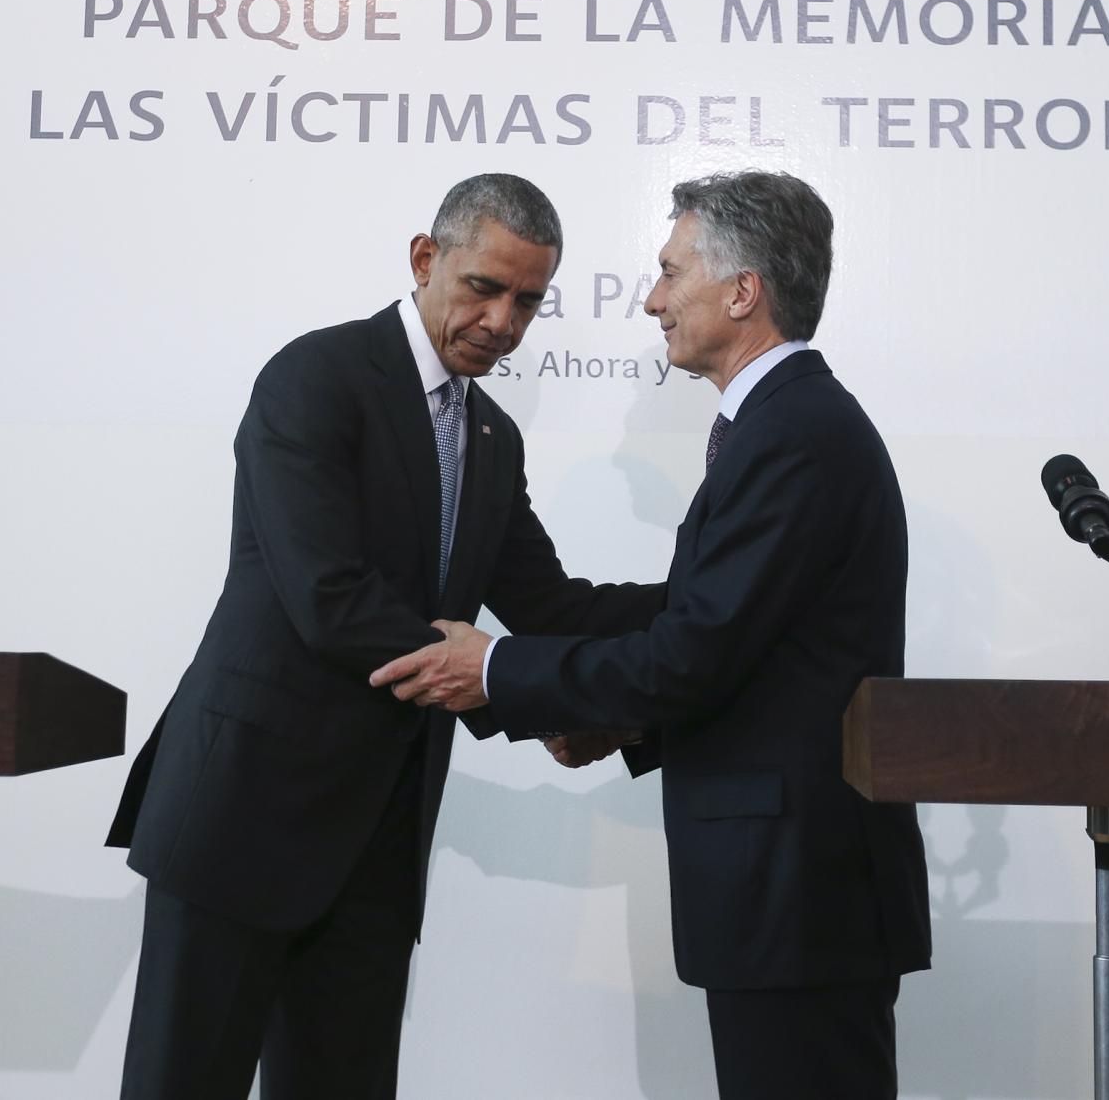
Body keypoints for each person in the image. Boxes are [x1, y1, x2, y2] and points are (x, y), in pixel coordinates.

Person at [371, 170, 932, 1099]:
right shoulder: (783, 426)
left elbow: (694, 653)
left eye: (672, 272)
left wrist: (499, 669)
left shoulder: (795, 433)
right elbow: (729, 641)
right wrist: (615, 717)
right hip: (787, 890)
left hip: (798, 890)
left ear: (742, 291)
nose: (653, 299)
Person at [106, 174, 663, 1100]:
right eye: (484, 286)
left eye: (528, 300)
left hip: (376, 840)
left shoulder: (492, 435)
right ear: (423, 258)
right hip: (243, 817)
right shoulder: (316, 376)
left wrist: (709, 605)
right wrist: (508, 689)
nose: (503, 321)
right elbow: (330, 599)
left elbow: (552, 604)